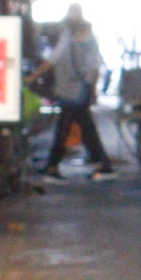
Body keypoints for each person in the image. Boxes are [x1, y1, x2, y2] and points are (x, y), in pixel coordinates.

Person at [35, 12, 108, 178]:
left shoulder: (70, 42)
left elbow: (51, 62)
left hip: (73, 94)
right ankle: (101, 164)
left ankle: (54, 165)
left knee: (70, 128)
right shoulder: (82, 43)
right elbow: (94, 69)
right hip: (78, 93)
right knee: (80, 129)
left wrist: (33, 76)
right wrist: (93, 90)